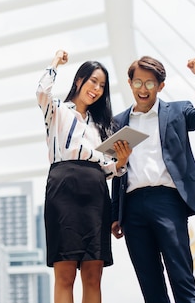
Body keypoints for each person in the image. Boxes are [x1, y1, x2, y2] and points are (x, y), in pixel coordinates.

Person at [110, 55, 195, 303]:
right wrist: (114, 215)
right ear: (129, 83)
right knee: (150, 287)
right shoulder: (117, 123)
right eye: (138, 82)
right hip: (132, 208)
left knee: (182, 278)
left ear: (161, 86)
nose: (143, 89)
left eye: (150, 84)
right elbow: (115, 171)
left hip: (168, 202)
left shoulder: (177, 112)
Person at [37, 49, 131, 303]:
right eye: (93, 81)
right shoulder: (57, 110)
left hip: (96, 195)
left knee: (93, 276)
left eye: (102, 85)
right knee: (65, 276)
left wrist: (120, 163)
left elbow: (106, 168)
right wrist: (55, 61)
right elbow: (42, 92)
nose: (97, 89)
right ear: (79, 80)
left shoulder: (102, 125)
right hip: (63, 191)